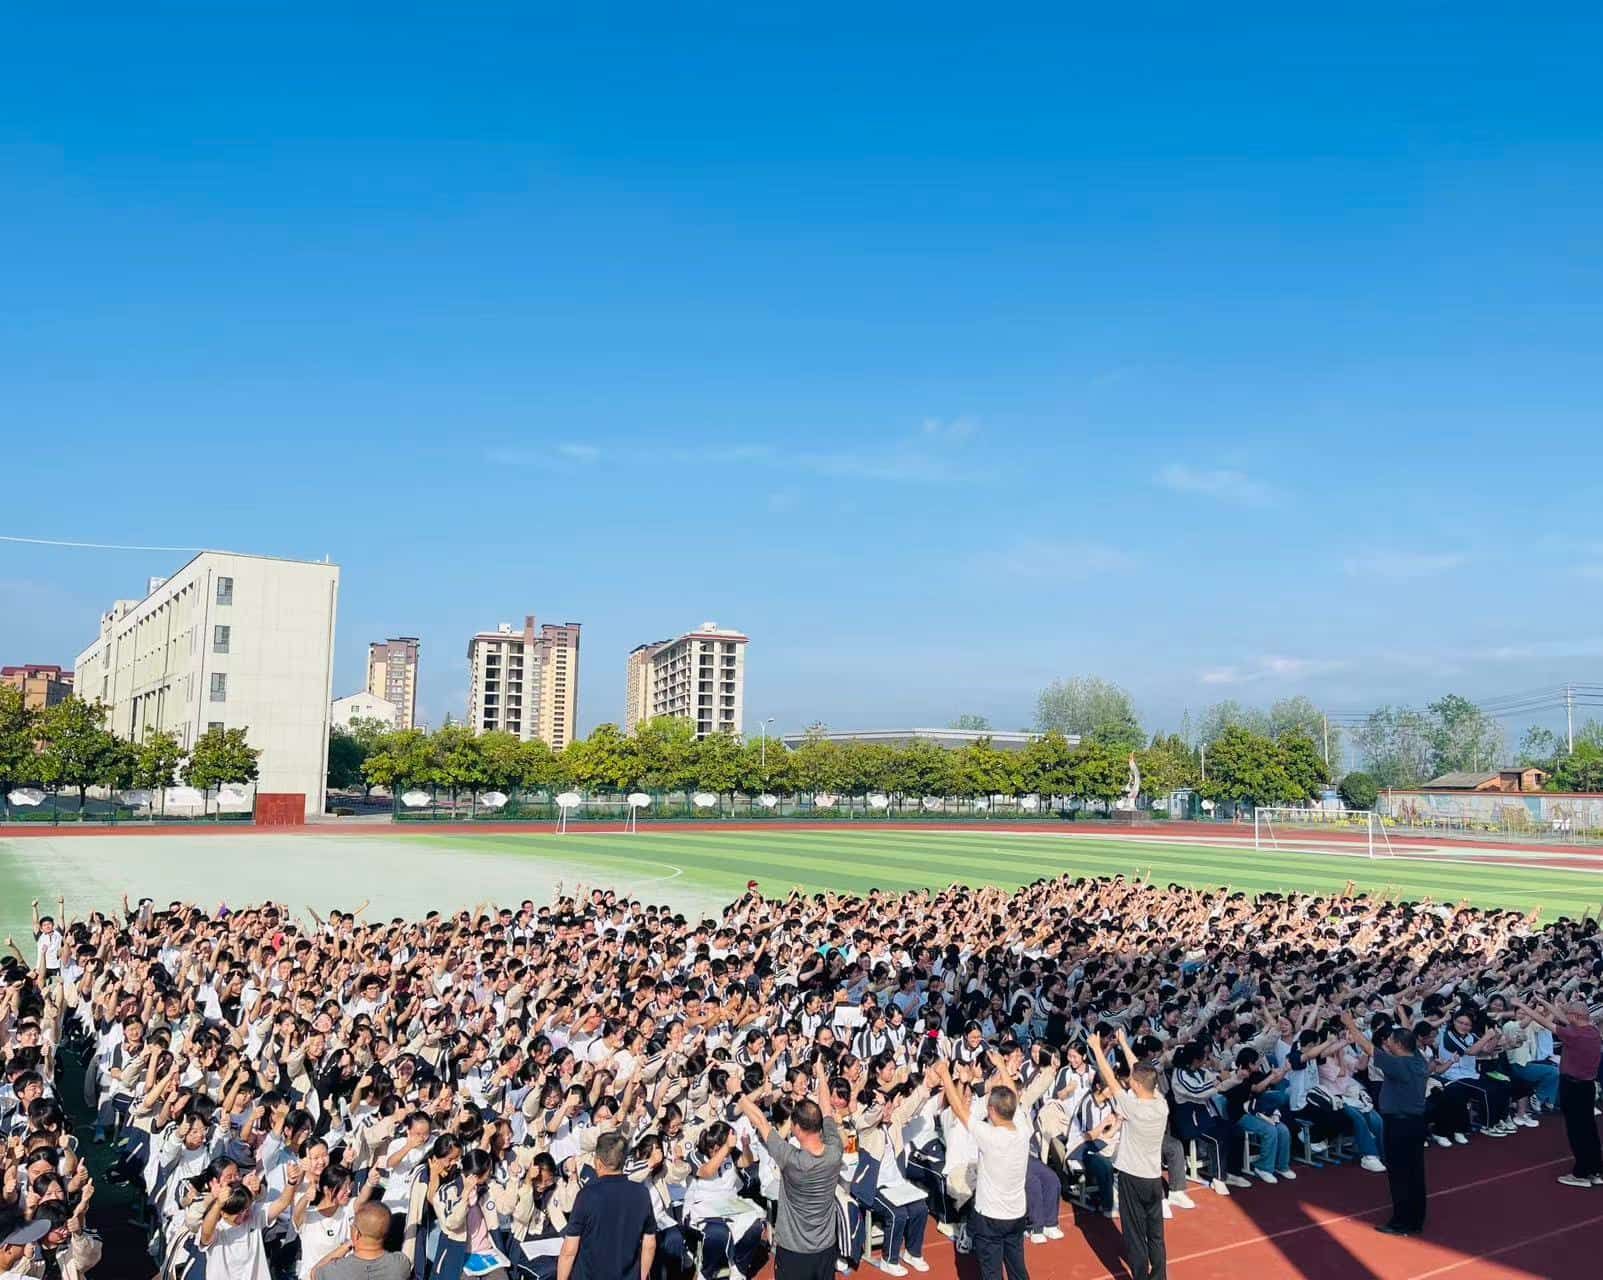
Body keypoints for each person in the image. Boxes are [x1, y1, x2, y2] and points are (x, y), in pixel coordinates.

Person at [736, 1061, 844, 1280]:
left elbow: (760, 1122)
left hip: (793, 1251)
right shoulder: (835, 1150)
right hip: (826, 1247)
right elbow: (827, 1108)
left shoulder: (791, 1159)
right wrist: (822, 1074)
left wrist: (738, 1094)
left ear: (797, 1127)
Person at [934, 1058, 1028, 1280]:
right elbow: (1012, 1095)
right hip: (1017, 1214)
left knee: (991, 1273)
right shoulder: (1023, 1129)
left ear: (992, 1110)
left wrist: (946, 1075)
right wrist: (1003, 1067)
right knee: (1018, 1269)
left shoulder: (990, 1135)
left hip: (990, 1218)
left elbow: (958, 1109)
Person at [1089, 1029, 1168, 1280]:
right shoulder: (1161, 1103)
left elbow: (1111, 1079)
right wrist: (1123, 1042)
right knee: (1155, 1234)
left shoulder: (1132, 1106)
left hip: (1132, 1178)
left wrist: (1097, 1050)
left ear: (1135, 1084)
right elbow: (1141, 1071)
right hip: (1154, 1178)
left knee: (1134, 1234)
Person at [1343, 1013, 1427, 1237]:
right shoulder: (1419, 1060)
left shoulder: (1398, 1065)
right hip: (1417, 1123)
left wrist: (1350, 1024)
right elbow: (1409, 1038)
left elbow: (1368, 1048)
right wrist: (1401, 1016)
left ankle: (1400, 1222)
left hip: (1400, 1126)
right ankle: (1416, 1219)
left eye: (1390, 1039)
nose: (1386, 1041)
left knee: (1399, 1174)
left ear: (1398, 1045)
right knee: (1416, 1172)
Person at [1513, 996, 1602, 1188]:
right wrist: (1545, 1003)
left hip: (1573, 1087)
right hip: (1587, 1087)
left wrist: (1521, 1006)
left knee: (1577, 1131)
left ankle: (1581, 1173)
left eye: (1570, 1013)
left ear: (1576, 1016)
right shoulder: (1592, 1030)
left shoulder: (1574, 1035)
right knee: (1589, 1129)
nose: (1565, 1016)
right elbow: (1562, 1017)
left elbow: (1544, 1021)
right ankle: (1596, 1170)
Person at [558, 1130, 656, 1280]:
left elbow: (569, 1250)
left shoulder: (587, 1195)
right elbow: (649, 1244)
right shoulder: (641, 1193)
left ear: (598, 1162)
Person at [316, 1203, 410, 1279]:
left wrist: (347, 1245)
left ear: (357, 1233)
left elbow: (315, 1272)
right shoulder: (399, 1265)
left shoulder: (335, 1271)